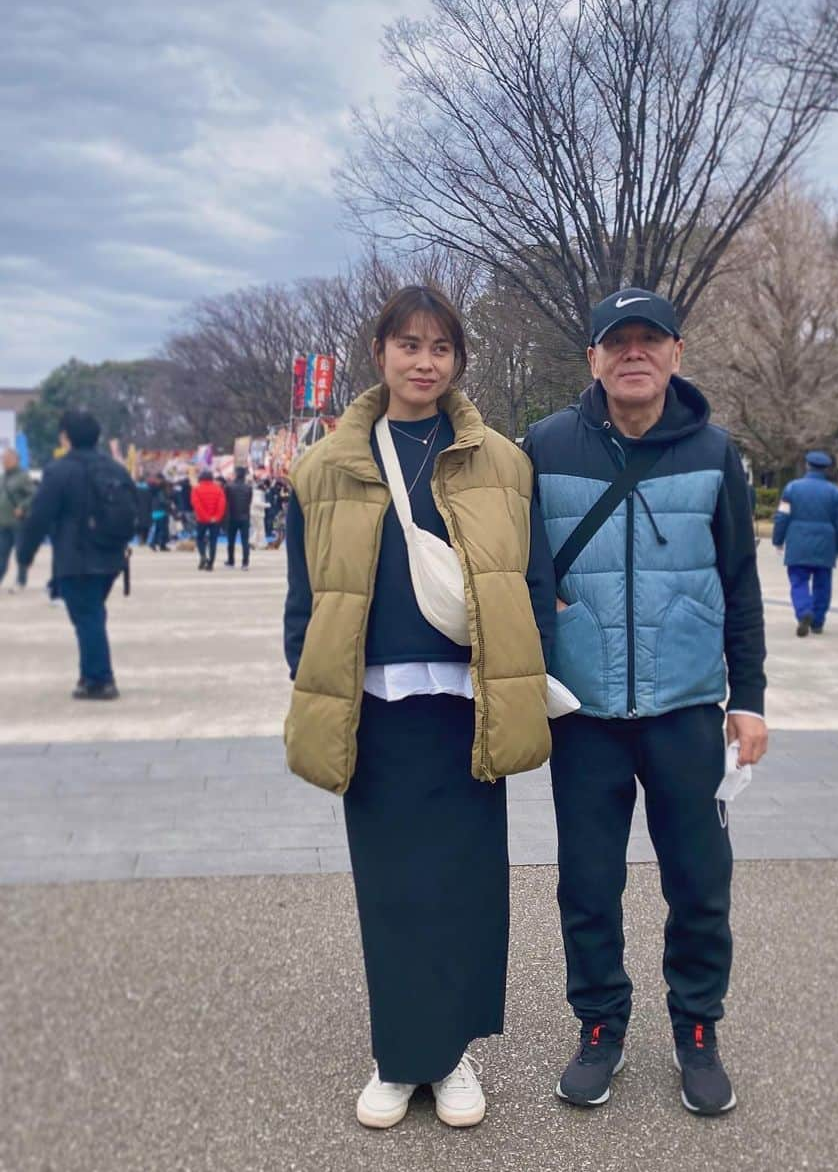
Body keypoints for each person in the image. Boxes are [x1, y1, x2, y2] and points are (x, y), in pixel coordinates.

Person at [283, 285, 555, 1131]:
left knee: (468, 889)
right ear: (380, 352)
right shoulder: (328, 463)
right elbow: (305, 596)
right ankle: (400, 1057)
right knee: (391, 888)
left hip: (466, 707)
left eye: (440, 347)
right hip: (376, 710)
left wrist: (520, 671)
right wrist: (313, 674)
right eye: (409, 345)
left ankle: (454, 1053)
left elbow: (533, 582)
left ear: (459, 359)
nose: (424, 362)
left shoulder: (501, 461)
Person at [523, 287, 767, 1118]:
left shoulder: (715, 451)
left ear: (676, 353)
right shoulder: (546, 447)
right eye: (616, 341)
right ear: (591, 358)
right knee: (587, 883)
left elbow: (739, 580)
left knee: (700, 880)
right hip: (581, 713)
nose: (633, 353)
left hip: (687, 707)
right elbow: (524, 572)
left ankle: (697, 1027)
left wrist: (752, 697)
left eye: (648, 340)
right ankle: (600, 1025)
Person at [17, 410, 136, 699]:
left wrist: (25, 553)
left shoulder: (59, 470)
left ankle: (100, 679)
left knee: (87, 616)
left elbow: (40, 516)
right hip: (111, 554)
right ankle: (89, 674)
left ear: (66, 436)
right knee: (92, 613)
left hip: (77, 556)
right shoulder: (115, 468)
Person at [772, 451, 838, 637]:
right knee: (823, 584)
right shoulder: (835, 492)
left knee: (798, 581)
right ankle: (818, 621)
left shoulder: (792, 488)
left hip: (798, 542)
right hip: (825, 544)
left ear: (807, 466)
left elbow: (782, 517)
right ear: (826, 469)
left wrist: (778, 540)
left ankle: (803, 611)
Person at [0, 448, 34, 593]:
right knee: (1, 554)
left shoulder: (23, 477)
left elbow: (33, 495)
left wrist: (22, 507)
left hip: (19, 523)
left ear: (15, 460)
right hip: (3, 523)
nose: (3, 461)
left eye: (6, 458)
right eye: (2, 458)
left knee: (21, 553)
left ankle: (21, 581)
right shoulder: (2, 477)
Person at [192, 469, 226, 570]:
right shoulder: (218, 489)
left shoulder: (196, 490)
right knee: (213, 541)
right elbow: (222, 505)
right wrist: (216, 517)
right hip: (215, 520)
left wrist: (205, 517)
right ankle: (210, 564)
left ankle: (203, 556)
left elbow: (197, 505)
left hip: (201, 520)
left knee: (200, 538)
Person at [224, 467, 253, 569]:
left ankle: (231, 561)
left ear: (236, 474)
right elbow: (249, 501)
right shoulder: (248, 487)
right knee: (245, 541)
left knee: (231, 540)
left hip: (232, 516)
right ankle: (245, 562)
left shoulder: (229, 486)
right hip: (245, 517)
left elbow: (226, 501)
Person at [148, 475, 172, 550]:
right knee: (162, 529)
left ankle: (156, 543)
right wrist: (169, 503)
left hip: (155, 511)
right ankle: (159, 544)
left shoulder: (154, 489)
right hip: (162, 511)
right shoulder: (161, 490)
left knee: (158, 528)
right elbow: (162, 501)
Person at [134, 474, 153, 546]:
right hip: (147, 509)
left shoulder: (135, 489)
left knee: (138, 525)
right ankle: (144, 539)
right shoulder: (148, 489)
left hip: (138, 510)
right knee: (146, 525)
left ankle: (140, 538)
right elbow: (151, 500)